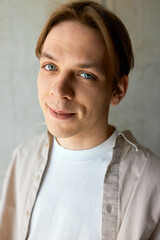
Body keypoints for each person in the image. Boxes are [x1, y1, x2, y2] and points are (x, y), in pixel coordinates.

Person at [0, 1, 160, 239]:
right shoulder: (23, 159)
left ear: (117, 89)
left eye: (86, 74)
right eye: (50, 66)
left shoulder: (151, 183)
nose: (60, 89)